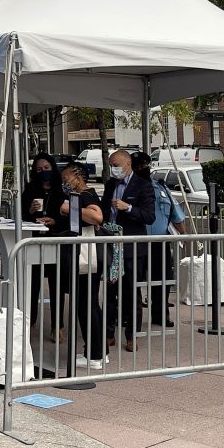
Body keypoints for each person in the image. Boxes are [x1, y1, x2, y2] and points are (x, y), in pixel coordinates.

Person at [101, 148, 155, 351]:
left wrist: (128, 208)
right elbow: (105, 210)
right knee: (110, 292)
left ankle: (132, 335)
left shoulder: (143, 186)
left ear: (127, 165)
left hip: (132, 248)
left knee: (132, 293)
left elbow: (149, 216)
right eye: (111, 166)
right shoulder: (110, 185)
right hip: (112, 246)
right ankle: (109, 333)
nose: (113, 170)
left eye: (116, 166)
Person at [58, 163, 106, 369]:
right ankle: (97, 351)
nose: (64, 184)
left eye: (66, 179)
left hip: (87, 257)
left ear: (77, 177)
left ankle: (94, 355)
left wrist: (71, 208)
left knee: (87, 304)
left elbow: (97, 217)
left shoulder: (85, 196)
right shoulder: (79, 196)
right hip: (85, 257)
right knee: (88, 304)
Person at [22, 153, 67, 336]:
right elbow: (22, 217)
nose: (43, 172)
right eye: (39, 169)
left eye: (46, 168)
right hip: (35, 241)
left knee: (57, 285)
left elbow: (69, 217)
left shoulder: (61, 190)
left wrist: (54, 221)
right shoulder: (31, 189)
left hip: (55, 241)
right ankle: (30, 322)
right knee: (33, 285)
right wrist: (30, 211)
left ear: (53, 168)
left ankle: (58, 326)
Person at [146, 156, 186, 329]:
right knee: (132, 281)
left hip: (159, 243)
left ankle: (161, 314)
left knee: (162, 280)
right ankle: (128, 315)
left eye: (146, 165)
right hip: (133, 242)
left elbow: (176, 215)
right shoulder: (124, 189)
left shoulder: (161, 188)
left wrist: (184, 234)